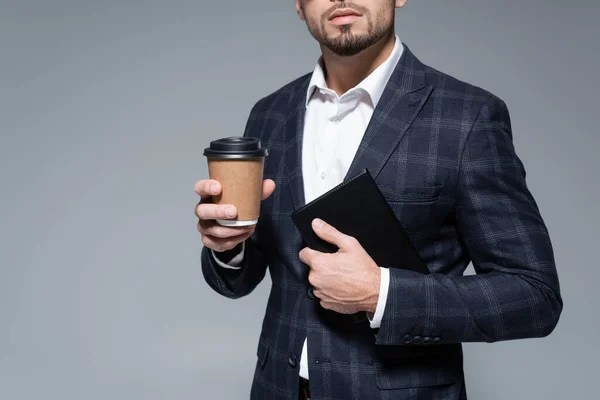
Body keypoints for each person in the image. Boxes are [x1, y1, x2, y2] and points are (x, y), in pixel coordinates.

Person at [194, 1, 563, 399]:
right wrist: (228, 248)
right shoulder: (270, 114)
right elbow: (243, 278)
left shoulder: (467, 117)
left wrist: (381, 293)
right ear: (299, 6)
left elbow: (534, 296)